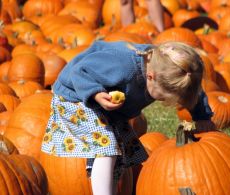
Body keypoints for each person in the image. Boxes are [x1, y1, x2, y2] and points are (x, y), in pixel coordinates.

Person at [41, 40, 214, 195]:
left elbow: (192, 91)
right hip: (75, 96)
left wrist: (203, 117)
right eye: (162, 97)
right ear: (150, 77)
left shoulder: (177, 72)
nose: (164, 101)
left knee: (120, 152)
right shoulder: (123, 66)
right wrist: (96, 93)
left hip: (107, 108)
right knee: (106, 147)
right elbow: (80, 71)